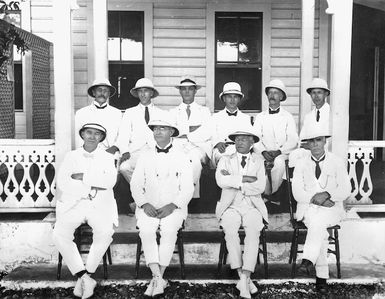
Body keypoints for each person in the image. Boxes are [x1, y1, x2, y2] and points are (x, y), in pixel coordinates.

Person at [130, 112, 194, 297]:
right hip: (148, 206)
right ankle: (157, 277)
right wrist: (143, 203)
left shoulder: (182, 155)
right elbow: (135, 184)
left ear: (172, 132)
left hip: (173, 207)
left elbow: (188, 188)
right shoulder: (145, 154)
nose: (158, 131)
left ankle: (159, 276)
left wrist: (172, 205)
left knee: (168, 231)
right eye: (155, 128)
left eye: (162, 128)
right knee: (146, 230)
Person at [53, 123, 118, 299]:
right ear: (82, 134)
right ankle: (83, 276)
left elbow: (110, 182)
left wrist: (83, 177)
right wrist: (90, 187)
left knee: (105, 232)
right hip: (75, 203)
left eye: (97, 134)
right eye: (89, 132)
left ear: (101, 138)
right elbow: (64, 182)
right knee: (60, 233)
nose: (92, 136)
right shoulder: (71, 156)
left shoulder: (107, 157)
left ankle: (87, 274)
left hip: (99, 204)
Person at [292, 126, 350, 293]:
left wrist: (327, 194)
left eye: (318, 140)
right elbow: (297, 192)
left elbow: (346, 190)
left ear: (325, 141)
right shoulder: (301, 163)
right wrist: (316, 199)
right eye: (311, 141)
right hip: (308, 209)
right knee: (320, 228)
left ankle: (308, 260)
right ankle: (321, 277)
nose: (315, 144)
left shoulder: (337, 161)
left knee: (318, 224)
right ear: (308, 144)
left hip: (332, 209)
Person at [215, 126, 267, 299]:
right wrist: (245, 179)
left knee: (253, 232)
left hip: (252, 205)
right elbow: (221, 181)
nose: (240, 142)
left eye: (244, 139)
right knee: (230, 231)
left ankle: (244, 276)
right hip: (230, 205)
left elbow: (260, 186)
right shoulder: (225, 159)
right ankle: (243, 277)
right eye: (237, 139)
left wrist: (234, 180)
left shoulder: (258, 161)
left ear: (252, 142)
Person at [188, 82, 251, 168]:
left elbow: (251, 139)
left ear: (239, 99)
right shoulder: (215, 117)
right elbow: (204, 134)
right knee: (225, 160)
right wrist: (216, 143)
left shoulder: (246, 119)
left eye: (235, 97)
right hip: (222, 150)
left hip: (240, 150)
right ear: (224, 99)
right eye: (229, 96)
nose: (232, 100)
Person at [253, 79, 298, 196]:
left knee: (279, 163)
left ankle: (271, 194)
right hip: (263, 153)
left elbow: (293, 139)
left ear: (281, 96)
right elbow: (255, 138)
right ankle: (260, 194)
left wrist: (279, 151)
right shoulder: (260, 117)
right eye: (270, 92)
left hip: (282, 153)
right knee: (256, 164)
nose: (272, 96)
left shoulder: (288, 117)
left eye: (276, 93)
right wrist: (263, 152)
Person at [112, 78, 163, 183]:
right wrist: (125, 151)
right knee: (124, 168)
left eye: (146, 91)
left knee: (160, 169)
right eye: (140, 91)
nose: (143, 94)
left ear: (151, 93)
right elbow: (123, 135)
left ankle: (148, 193)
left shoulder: (161, 113)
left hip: (155, 151)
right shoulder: (130, 112)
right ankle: (140, 191)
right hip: (135, 152)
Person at [170, 75, 211, 198]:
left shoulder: (204, 111)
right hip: (178, 146)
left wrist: (185, 134)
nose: (187, 91)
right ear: (180, 91)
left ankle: (188, 196)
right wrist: (193, 129)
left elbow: (207, 132)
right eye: (184, 89)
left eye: (190, 89)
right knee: (175, 161)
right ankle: (176, 195)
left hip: (198, 147)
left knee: (193, 160)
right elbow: (172, 132)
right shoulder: (172, 112)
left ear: (195, 91)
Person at [289, 78, 331, 168]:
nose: (316, 96)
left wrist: (315, 145)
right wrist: (307, 145)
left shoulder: (332, 114)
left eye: (319, 92)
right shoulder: (308, 116)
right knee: (295, 155)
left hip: (327, 151)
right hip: (309, 151)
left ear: (326, 94)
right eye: (313, 93)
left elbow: (333, 139)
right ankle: (294, 181)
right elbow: (302, 139)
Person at [75, 78, 122, 153]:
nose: (102, 93)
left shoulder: (117, 113)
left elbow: (121, 136)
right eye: (99, 90)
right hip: (88, 153)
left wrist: (113, 149)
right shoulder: (81, 113)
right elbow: (78, 137)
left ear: (109, 94)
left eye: (105, 91)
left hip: (110, 154)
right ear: (94, 92)